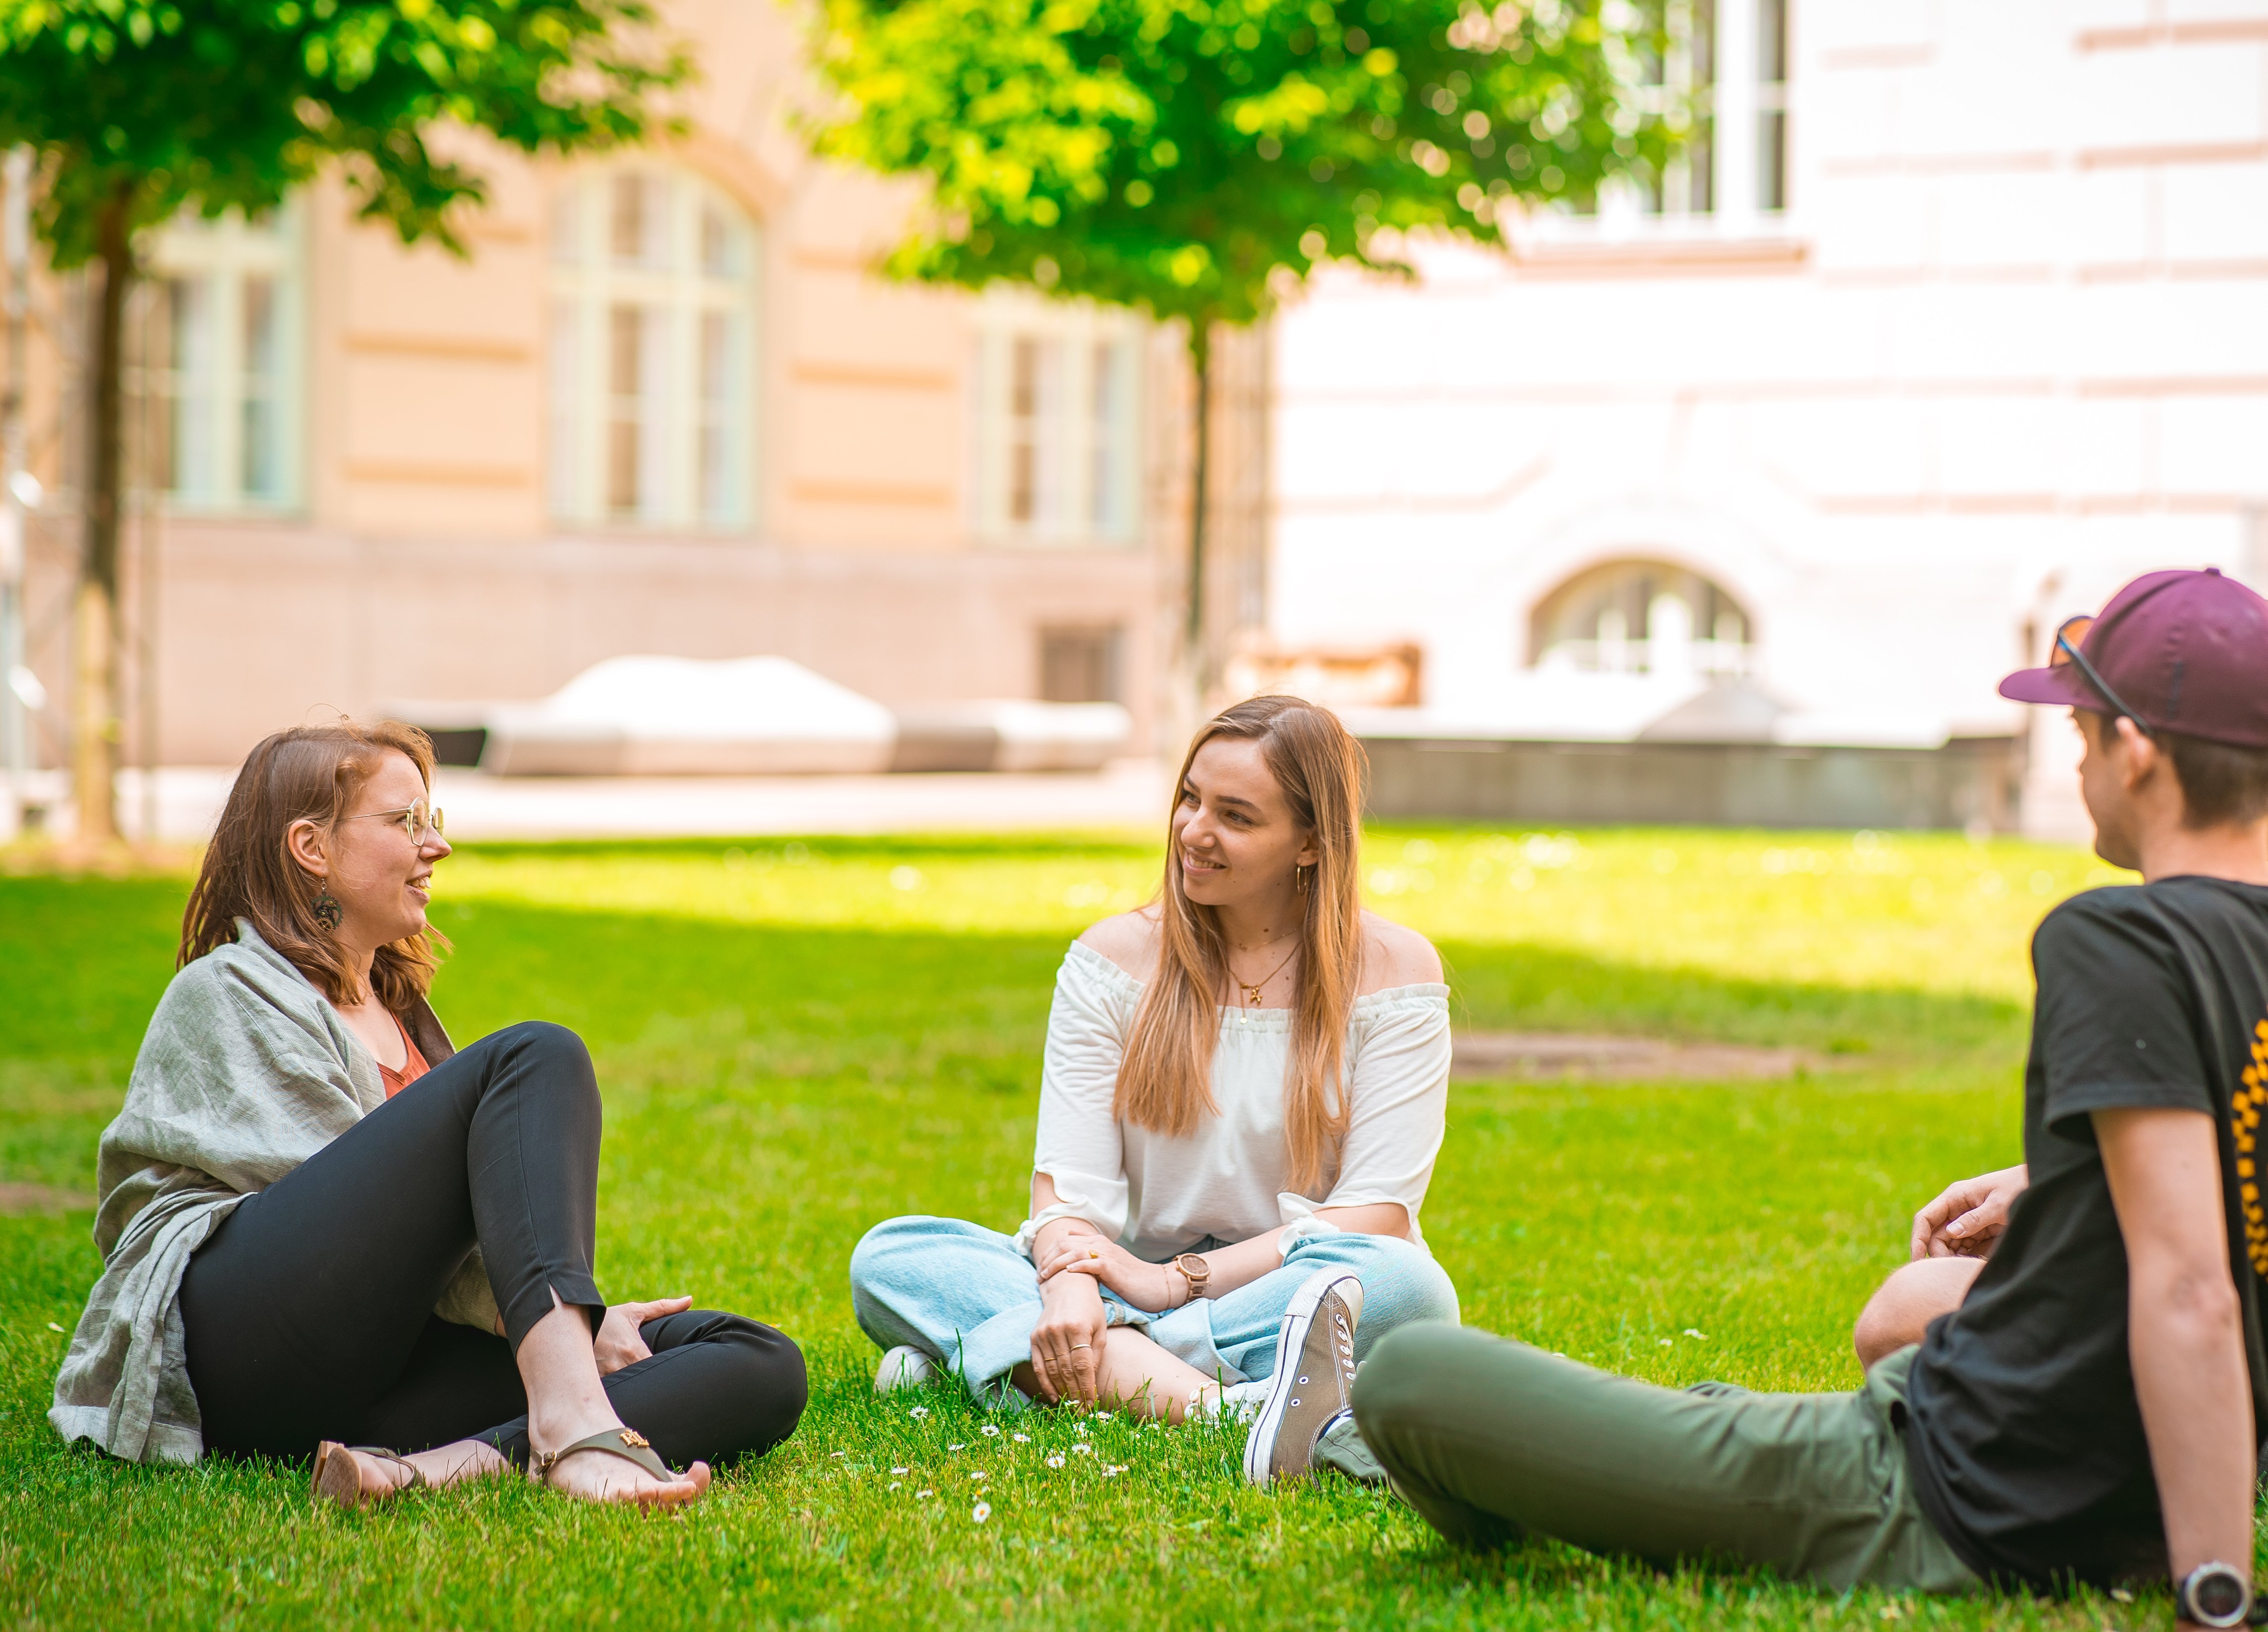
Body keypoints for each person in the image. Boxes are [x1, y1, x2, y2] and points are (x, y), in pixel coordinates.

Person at [1351, 568, 2268, 1616]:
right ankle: (1690, 1436)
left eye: (2081, 732)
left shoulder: (2119, 936)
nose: (2075, 756)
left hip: (1943, 1487)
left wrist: (2213, 1590)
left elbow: (2194, 1287)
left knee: (1407, 1374)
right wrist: (2053, 1176)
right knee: (1900, 1312)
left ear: (2137, 753)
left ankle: (1618, 1479)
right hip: (2046, 1420)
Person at [49, 720, 806, 1509]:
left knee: (755, 1360)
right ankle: (573, 1425)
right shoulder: (228, 991)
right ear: (311, 847)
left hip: (373, 1377)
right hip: (238, 1354)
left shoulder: (404, 1015)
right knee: (537, 1055)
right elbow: (348, 1228)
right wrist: (571, 1335)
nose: (435, 847)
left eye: (431, 820)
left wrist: (584, 1331)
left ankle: (434, 1468)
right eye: (406, 821)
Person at [849, 695, 1460, 1484]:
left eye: (1236, 817)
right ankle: (1227, 1410)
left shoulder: (1395, 971)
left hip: (1279, 1288)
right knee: (894, 1255)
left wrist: (1171, 1284)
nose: (1193, 831)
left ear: (1310, 842)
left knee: (1404, 1288)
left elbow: (1376, 1213)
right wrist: (1071, 1282)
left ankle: (1026, 1363)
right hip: (1125, 1278)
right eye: (1189, 798)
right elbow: (1068, 1194)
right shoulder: (1114, 958)